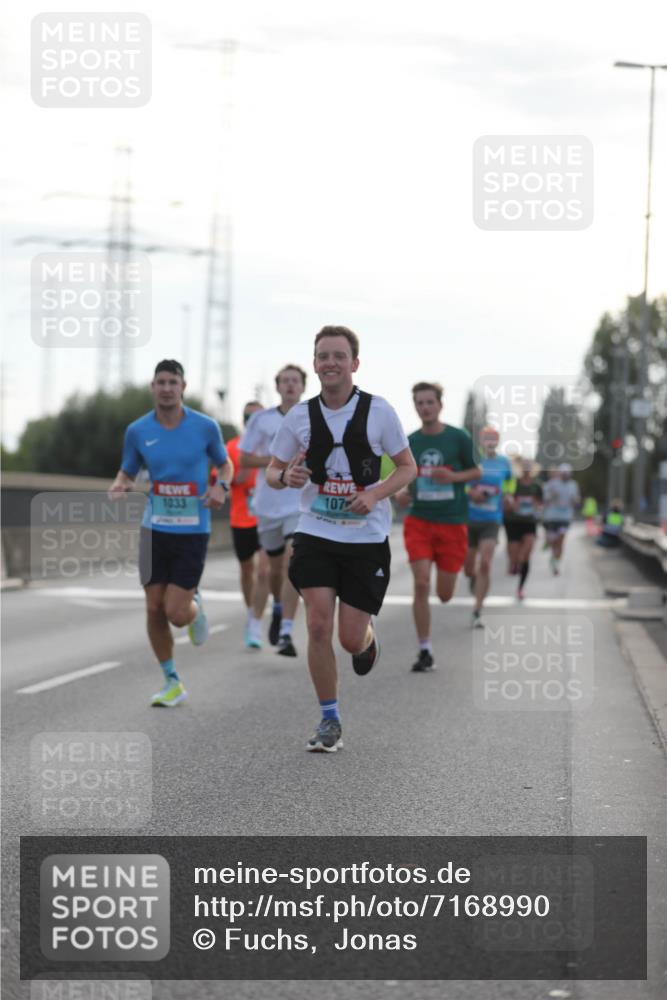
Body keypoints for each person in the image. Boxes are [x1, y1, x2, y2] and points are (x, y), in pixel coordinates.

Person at [267, 325, 416, 752]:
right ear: (315, 364)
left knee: (349, 638)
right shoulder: (298, 417)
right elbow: (273, 473)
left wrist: (374, 494)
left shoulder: (379, 412)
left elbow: (407, 468)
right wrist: (285, 476)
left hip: (365, 538)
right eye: (322, 356)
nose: (330, 363)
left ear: (354, 363)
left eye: (338, 355)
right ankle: (329, 719)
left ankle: (366, 640)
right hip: (315, 530)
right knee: (316, 624)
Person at [108, 360, 232, 706]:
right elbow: (128, 470)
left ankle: (194, 607)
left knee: (175, 613)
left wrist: (221, 485)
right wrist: (119, 486)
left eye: (172, 382)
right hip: (154, 529)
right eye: (160, 382)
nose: (166, 388)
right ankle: (171, 680)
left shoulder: (205, 427)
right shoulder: (137, 430)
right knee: (153, 609)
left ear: (183, 387)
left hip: (193, 530)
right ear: (153, 387)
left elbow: (225, 463)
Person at [395, 382, 480, 671]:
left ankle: (462, 578)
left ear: (440, 405)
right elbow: (402, 476)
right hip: (419, 520)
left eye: (430, 402)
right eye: (419, 403)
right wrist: (401, 492)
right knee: (420, 583)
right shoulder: (410, 441)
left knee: (444, 594)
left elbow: (477, 470)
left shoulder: (458, 437)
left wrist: (452, 477)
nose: (425, 407)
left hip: (452, 523)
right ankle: (425, 649)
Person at [239, 365, 307, 656]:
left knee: (294, 560)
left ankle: (287, 631)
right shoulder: (261, 419)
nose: (290, 386)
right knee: (272, 569)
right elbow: (244, 458)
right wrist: (277, 460)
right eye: (285, 381)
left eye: (295, 381)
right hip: (268, 504)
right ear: (277, 387)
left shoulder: (312, 416)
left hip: (298, 502)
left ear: (303, 386)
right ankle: (275, 608)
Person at [224, 402, 271, 648]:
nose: (251, 421)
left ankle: (256, 621)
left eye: (257, 416)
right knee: (246, 571)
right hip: (241, 517)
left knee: (264, 570)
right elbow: (218, 479)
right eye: (247, 417)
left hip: (265, 517)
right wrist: (234, 479)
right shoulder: (232, 448)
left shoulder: (274, 444)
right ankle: (251, 612)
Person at [464, 427, 513, 627]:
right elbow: (463, 483)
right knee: (469, 568)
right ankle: (472, 576)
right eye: (487, 438)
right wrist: (471, 493)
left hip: (492, 520)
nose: (490, 442)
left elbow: (510, 483)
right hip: (469, 519)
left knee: (485, 562)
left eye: (494, 438)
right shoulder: (473, 460)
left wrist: (509, 496)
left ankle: (477, 609)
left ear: (498, 441)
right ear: (481, 441)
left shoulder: (504, 463)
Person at [504, 459, 543, 599]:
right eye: (524, 467)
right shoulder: (514, 483)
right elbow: (506, 499)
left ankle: (521, 588)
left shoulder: (537, 486)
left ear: (533, 469)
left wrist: (537, 506)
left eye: (529, 467)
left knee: (525, 555)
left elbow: (541, 503)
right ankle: (513, 563)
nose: (527, 469)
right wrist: (511, 503)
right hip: (513, 522)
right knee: (514, 555)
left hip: (529, 522)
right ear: (521, 469)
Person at [542, 463, 581, 574]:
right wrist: (552, 496)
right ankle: (550, 546)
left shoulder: (573, 485)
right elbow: (545, 500)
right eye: (563, 474)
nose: (565, 476)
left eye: (567, 474)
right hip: (552, 517)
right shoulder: (552, 484)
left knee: (561, 540)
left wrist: (575, 500)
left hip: (565, 517)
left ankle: (556, 563)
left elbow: (576, 500)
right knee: (554, 541)